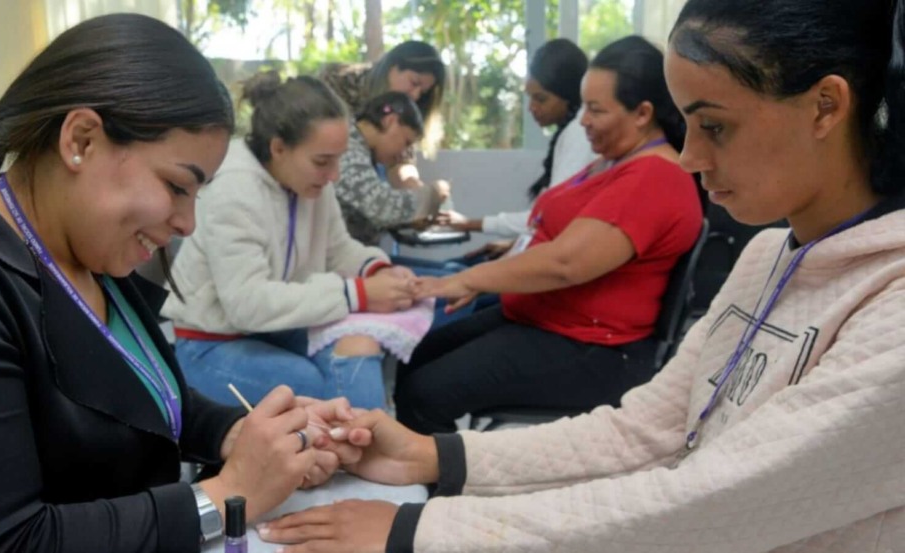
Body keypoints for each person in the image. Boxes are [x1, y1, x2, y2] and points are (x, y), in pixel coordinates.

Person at [255, 0, 905, 550]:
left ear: (825, 106)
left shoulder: (891, 304)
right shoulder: (767, 256)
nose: (691, 157)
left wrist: (421, 528)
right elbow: (647, 430)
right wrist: (433, 457)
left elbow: (709, 503)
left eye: (713, 125)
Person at [0, 14, 365, 553]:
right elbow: (5, 542)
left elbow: (143, 397)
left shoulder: (89, 253)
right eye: (178, 187)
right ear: (80, 140)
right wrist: (228, 493)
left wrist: (245, 437)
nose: (187, 223)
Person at [391, 36, 703, 435]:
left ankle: (438, 488)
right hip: (547, 319)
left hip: (594, 349)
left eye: (595, 109)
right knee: (415, 353)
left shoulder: (654, 177)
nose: (583, 120)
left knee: (424, 392)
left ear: (642, 113)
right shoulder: (617, 162)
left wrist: (463, 280)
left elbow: (564, 263)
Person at [161, 73, 417, 410]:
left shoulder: (311, 184)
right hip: (210, 345)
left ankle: (369, 453)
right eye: (323, 161)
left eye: (339, 159)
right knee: (322, 388)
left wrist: (377, 271)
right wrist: (359, 294)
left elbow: (338, 249)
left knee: (359, 351)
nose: (335, 175)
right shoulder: (234, 189)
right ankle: (367, 454)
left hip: (276, 329)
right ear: (278, 148)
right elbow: (247, 305)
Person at [438, 38, 595, 255]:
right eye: (530, 97)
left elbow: (550, 217)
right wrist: (513, 245)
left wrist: (471, 223)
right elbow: (544, 221)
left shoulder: (580, 133)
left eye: (541, 99)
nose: (532, 108)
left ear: (568, 94)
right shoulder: (570, 132)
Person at [319, 40, 447, 191]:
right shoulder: (337, 83)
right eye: (414, 82)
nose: (415, 95)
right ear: (392, 67)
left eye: (423, 93)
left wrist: (417, 189)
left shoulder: (404, 111)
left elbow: (401, 163)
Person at [335, 91, 448, 246]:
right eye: (406, 142)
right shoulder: (348, 148)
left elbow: (362, 214)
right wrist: (432, 194)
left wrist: (407, 222)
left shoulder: (363, 150)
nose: (403, 153)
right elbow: (380, 207)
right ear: (390, 121)